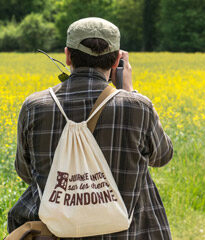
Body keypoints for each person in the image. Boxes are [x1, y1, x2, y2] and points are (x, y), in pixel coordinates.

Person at [8, 17, 173, 238]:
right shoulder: (137, 107)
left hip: (57, 234)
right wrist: (128, 91)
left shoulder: (35, 106)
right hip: (128, 234)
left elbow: (26, 172)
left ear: (67, 56)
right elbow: (162, 157)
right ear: (116, 62)